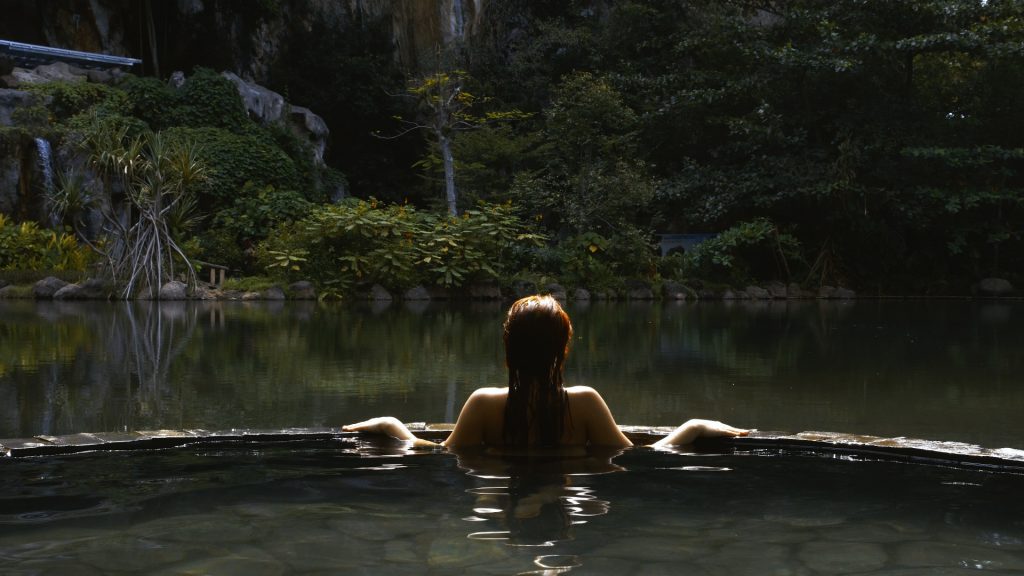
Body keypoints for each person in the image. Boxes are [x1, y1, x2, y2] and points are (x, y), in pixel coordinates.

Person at [343, 294, 748, 449]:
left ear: (509, 348)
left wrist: (392, 423)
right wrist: (693, 425)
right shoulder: (585, 402)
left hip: (496, 494)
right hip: (568, 489)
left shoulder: (483, 404)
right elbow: (641, 458)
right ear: (562, 349)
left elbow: (434, 455)